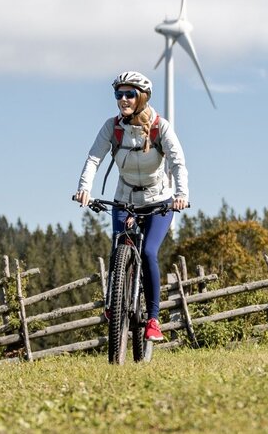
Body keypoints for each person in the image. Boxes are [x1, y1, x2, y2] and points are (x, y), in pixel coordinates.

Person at [73, 71, 189, 342]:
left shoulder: (160, 127)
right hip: (125, 198)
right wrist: (84, 189)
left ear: (142, 97)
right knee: (119, 249)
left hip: (159, 201)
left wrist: (181, 194)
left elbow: (177, 162)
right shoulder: (111, 127)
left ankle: (153, 319)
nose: (123, 99)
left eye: (129, 94)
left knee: (148, 252)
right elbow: (94, 159)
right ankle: (114, 303)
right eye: (118, 94)